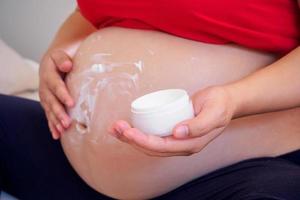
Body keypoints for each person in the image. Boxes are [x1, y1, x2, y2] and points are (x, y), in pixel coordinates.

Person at [1, 1, 300, 199]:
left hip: (232, 175)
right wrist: (59, 52)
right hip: (74, 167)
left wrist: (235, 100)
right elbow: (91, 13)